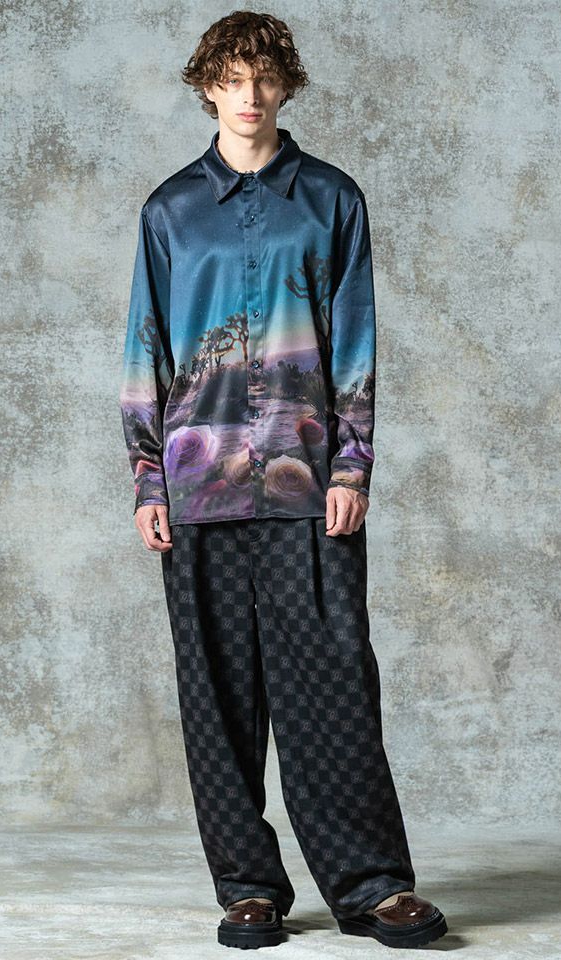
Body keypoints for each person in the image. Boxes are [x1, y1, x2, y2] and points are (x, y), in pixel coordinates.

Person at [119, 10, 448, 950]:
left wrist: (354, 464)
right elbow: (146, 349)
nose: (250, 95)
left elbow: (357, 344)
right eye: (232, 78)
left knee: (334, 682)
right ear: (207, 87)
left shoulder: (333, 200)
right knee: (217, 694)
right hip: (198, 484)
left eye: (264, 77)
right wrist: (149, 481)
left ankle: (373, 886)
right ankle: (247, 888)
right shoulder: (169, 212)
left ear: (286, 85)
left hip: (310, 485)